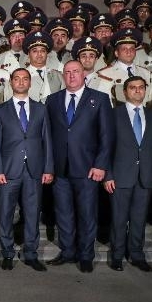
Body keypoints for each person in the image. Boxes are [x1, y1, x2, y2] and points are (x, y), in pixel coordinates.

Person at [45, 59, 114, 272]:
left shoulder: (99, 99)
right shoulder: (52, 100)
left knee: (87, 214)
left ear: (84, 74)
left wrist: (101, 165)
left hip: (87, 169)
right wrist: (48, 166)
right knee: (63, 214)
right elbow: (47, 136)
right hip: (60, 169)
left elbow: (107, 136)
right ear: (63, 75)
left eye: (76, 71)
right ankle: (67, 252)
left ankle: (85, 256)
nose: (72, 75)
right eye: (67, 72)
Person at [0, 68, 53, 271]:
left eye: (25, 79)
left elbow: (47, 141)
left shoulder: (41, 109)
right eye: (16, 79)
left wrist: (48, 168)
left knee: (33, 214)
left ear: (30, 83)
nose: (21, 82)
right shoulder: (0, 111)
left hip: (34, 170)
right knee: (6, 213)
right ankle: (7, 253)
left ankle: (31, 254)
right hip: (8, 170)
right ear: (11, 82)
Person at [104, 76, 152, 272]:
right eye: (133, 87)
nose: (137, 90)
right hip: (120, 176)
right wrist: (108, 175)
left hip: (146, 176)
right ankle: (117, 256)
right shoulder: (114, 115)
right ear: (125, 92)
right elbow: (106, 147)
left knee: (139, 219)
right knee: (119, 219)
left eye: (141, 87)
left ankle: (137, 255)